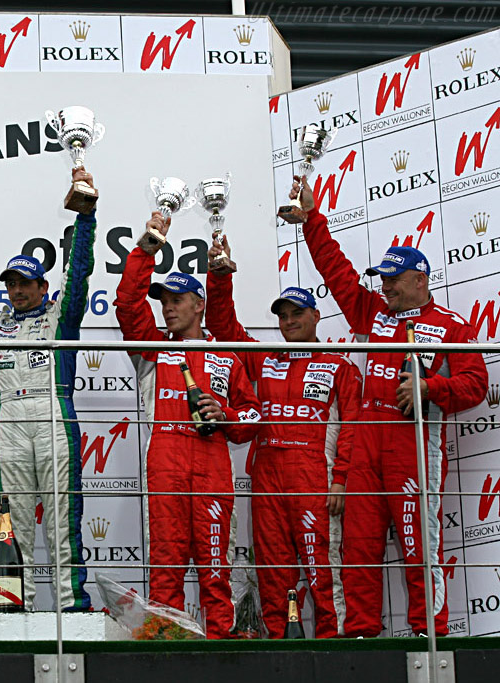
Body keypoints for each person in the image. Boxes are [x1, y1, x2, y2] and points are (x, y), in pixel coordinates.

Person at [286, 176, 488, 637]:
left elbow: (476, 384)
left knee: (420, 545)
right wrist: (312, 220)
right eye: (384, 280)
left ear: (421, 280)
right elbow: (335, 272)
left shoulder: (452, 326)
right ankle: (360, 633)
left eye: (395, 280)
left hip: (412, 443)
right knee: (357, 548)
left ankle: (427, 632)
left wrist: (431, 389)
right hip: (364, 442)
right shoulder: (371, 311)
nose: (388, 287)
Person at [0, 168, 96, 611]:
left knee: (61, 520)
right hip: (9, 421)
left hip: (52, 415)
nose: (16, 290)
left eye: (24, 283)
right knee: (10, 521)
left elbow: (80, 278)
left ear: (42, 287)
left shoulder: (59, 319)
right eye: (10, 284)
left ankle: (73, 604)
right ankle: (15, 605)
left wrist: (86, 222)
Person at [205, 237, 362, 638]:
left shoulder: (340, 365)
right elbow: (225, 331)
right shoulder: (267, 357)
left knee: (323, 569)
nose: (289, 321)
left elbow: (352, 430)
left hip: (314, 481)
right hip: (269, 480)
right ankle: (278, 645)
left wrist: (341, 479)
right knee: (274, 573)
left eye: (297, 314)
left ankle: (334, 646)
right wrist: (220, 280)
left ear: (315, 316)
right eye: (283, 316)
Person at [114, 212, 261, 639]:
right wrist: (148, 246)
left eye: (177, 300)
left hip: (214, 466)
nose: (169, 308)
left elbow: (251, 417)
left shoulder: (228, 353)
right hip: (165, 464)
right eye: (164, 301)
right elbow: (127, 303)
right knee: (166, 569)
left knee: (217, 568)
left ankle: (222, 644)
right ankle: (168, 642)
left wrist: (226, 414)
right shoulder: (154, 348)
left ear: (199, 305)